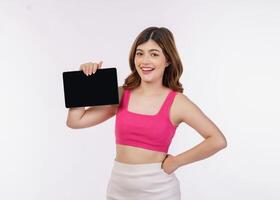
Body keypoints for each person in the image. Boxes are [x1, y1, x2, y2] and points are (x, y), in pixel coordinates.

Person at [66, 26, 227, 200]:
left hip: (159, 192)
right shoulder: (121, 94)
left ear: (168, 60)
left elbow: (217, 140)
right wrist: (82, 82)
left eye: (154, 54)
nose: (145, 60)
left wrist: (177, 161)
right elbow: (75, 121)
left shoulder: (177, 102)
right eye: (140, 53)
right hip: (118, 190)